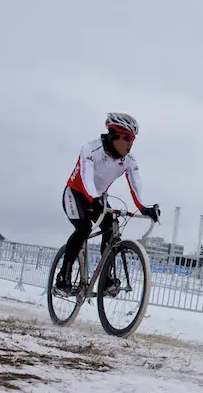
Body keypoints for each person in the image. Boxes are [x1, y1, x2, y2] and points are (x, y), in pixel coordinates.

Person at [56, 112, 160, 294]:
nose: (130, 143)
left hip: (99, 197)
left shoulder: (129, 159)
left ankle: (106, 278)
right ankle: (63, 278)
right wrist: (93, 198)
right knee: (83, 229)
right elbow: (86, 176)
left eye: (133, 139)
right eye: (127, 138)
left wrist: (144, 208)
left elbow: (135, 184)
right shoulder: (91, 149)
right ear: (113, 135)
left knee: (112, 228)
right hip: (75, 194)